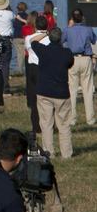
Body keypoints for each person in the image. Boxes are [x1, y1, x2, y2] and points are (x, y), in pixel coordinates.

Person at [33, 27, 75, 158]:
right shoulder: (67, 53)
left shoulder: (43, 51)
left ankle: (49, 152)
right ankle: (66, 153)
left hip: (44, 91)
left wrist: (44, 34)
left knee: (46, 124)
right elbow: (70, 65)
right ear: (61, 39)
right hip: (62, 93)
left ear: (50, 38)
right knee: (64, 125)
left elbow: (33, 41)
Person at [64, 8, 97, 127]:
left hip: (72, 60)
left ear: (72, 19)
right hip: (85, 59)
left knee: (72, 90)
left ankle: (72, 119)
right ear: (82, 17)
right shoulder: (88, 29)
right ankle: (90, 119)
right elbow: (94, 40)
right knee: (87, 90)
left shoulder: (67, 30)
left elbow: (61, 41)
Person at [24, 13, 50, 134]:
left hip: (33, 68)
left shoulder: (29, 38)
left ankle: (36, 126)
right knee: (48, 97)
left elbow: (28, 50)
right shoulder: (50, 38)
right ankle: (49, 124)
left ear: (35, 26)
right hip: (45, 67)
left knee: (34, 100)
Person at [12, 2, 30, 74]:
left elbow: (14, 26)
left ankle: (20, 70)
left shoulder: (16, 17)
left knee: (19, 54)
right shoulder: (28, 16)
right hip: (25, 37)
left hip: (17, 37)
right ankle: (25, 69)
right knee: (25, 53)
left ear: (17, 8)